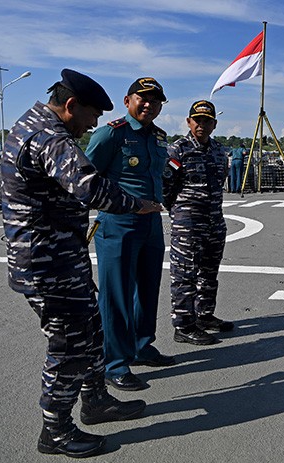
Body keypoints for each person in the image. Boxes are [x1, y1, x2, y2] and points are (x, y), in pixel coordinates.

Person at [0, 69, 162, 458]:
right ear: (70, 106)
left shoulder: (34, 126)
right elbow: (89, 185)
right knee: (69, 346)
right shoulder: (48, 137)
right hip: (46, 262)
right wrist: (137, 204)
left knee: (90, 332)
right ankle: (55, 430)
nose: (94, 124)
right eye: (91, 115)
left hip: (60, 259)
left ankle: (95, 401)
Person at [85, 77, 174, 392]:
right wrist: (129, 205)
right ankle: (114, 363)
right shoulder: (111, 134)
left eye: (156, 100)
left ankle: (140, 345)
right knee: (116, 295)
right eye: (143, 98)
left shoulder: (159, 137)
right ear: (127, 100)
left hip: (151, 225)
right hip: (118, 223)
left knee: (147, 290)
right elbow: (86, 180)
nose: (149, 104)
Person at [163, 100, 234, 345]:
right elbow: (165, 187)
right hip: (188, 224)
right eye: (197, 120)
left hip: (215, 220)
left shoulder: (218, 150)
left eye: (207, 120)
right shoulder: (177, 151)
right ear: (189, 122)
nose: (201, 125)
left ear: (214, 124)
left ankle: (204, 316)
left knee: (209, 273)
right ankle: (184, 325)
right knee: (184, 274)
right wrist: (180, 211)